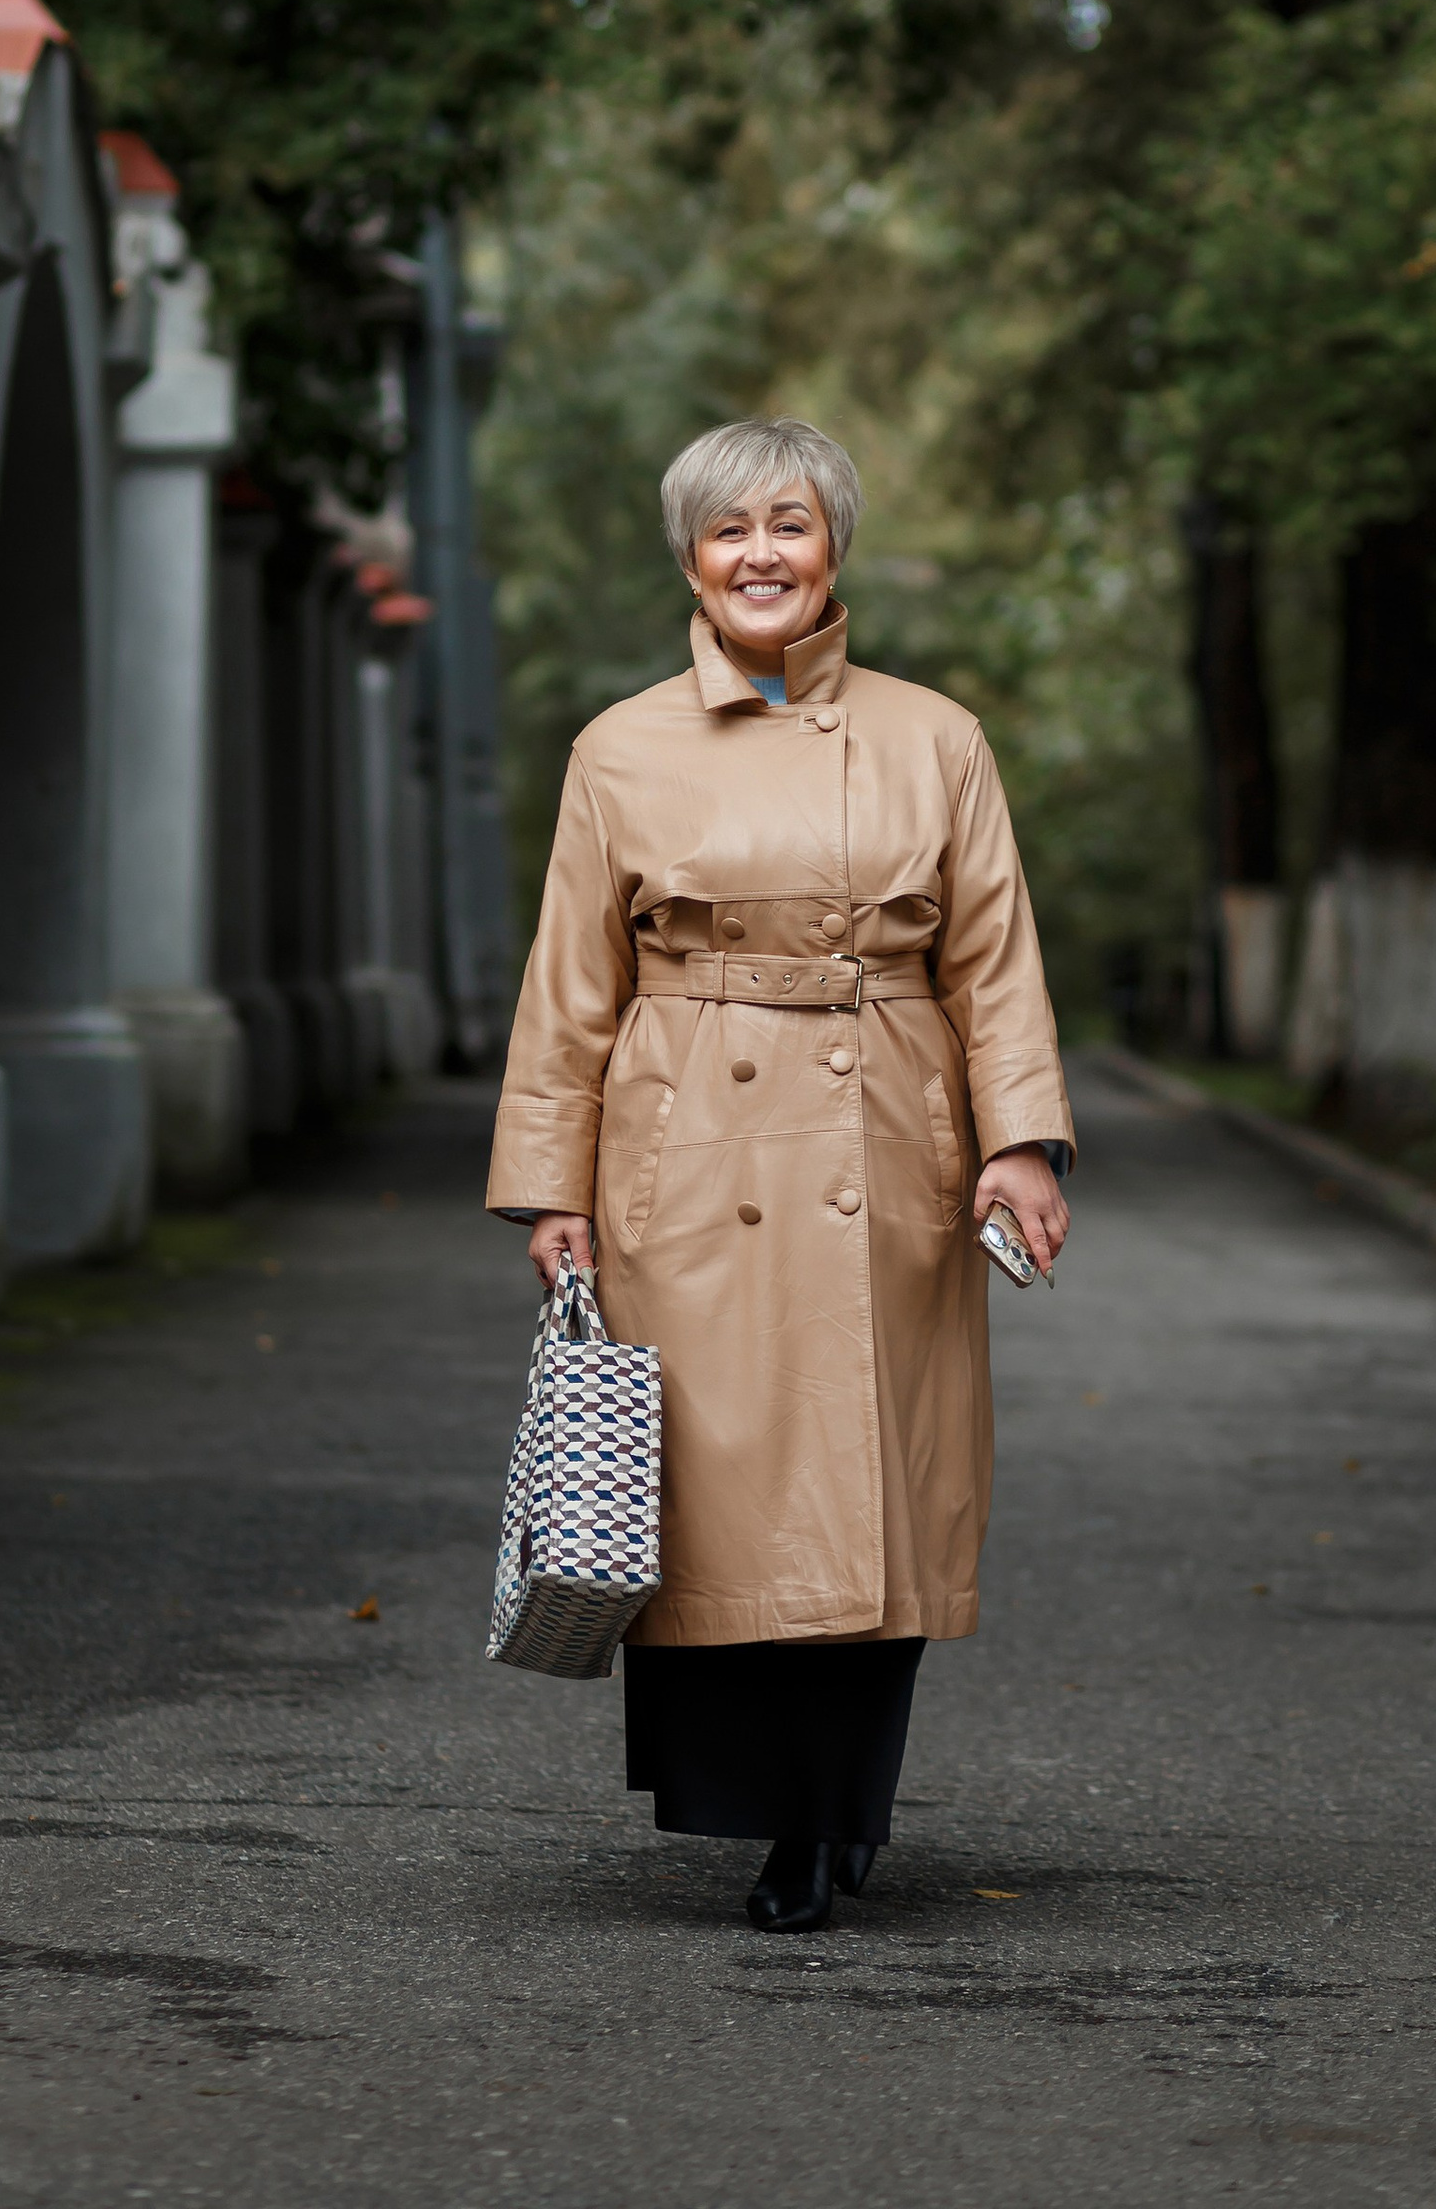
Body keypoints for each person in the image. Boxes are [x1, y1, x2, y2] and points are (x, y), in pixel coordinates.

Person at [486, 414, 1074, 1933]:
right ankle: (750, 1805)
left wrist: (1016, 1143)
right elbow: (569, 987)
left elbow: (994, 959)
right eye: (730, 529)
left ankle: (831, 1818)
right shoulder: (619, 747)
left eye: (791, 525)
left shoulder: (937, 737)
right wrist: (553, 1190)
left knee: (877, 1483)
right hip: (681, 1148)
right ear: (691, 555)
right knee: (714, 1493)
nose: (761, 555)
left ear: (835, 551)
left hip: (886, 1136)